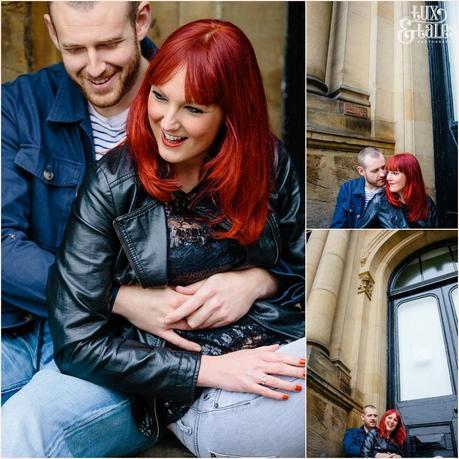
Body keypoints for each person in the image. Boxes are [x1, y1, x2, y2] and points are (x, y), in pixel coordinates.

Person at [1, 3, 294, 457]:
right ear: (52, 32)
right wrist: (119, 298)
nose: (95, 66)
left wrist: (258, 280)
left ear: (140, 22)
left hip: (207, 347)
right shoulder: (27, 112)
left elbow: (299, 259)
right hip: (46, 324)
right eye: (76, 48)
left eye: (110, 44)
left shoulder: (258, 150)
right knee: (21, 429)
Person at [356, 153, 438, 228]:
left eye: (395, 173)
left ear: (411, 175)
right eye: (388, 172)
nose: (388, 178)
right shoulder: (380, 201)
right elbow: (359, 233)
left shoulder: (427, 202)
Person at [331, 147, 386, 228]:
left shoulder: (392, 188)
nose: (382, 174)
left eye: (383, 168)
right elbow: (338, 225)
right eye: (375, 170)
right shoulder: (347, 189)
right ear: (361, 171)